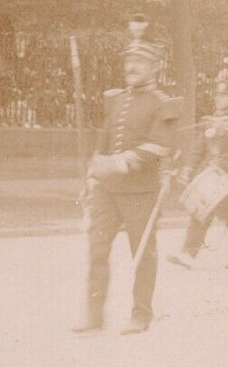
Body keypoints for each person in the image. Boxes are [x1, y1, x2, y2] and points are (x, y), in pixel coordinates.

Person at [74, 21, 180, 335]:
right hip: (107, 190)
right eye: (129, 61)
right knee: (97, 249)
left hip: (141, 191)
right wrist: (93, 174)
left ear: (154, 67)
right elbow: (104, 142)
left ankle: (141, 314)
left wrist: (121, 162)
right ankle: (94, 316)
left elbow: (160, 145)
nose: (131, 67)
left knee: (143, 253)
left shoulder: (163, 103)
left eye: (139, 62)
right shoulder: (117, 100)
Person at [168, 78, 228, 270]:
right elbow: (199, 149)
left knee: (224, 214)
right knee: (211, 212)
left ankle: (198, 253)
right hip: (210, 172)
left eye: (224, 95)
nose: (219, 99)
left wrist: (227, 131)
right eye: (218, 95)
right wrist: (188, 169)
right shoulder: (209, 121)